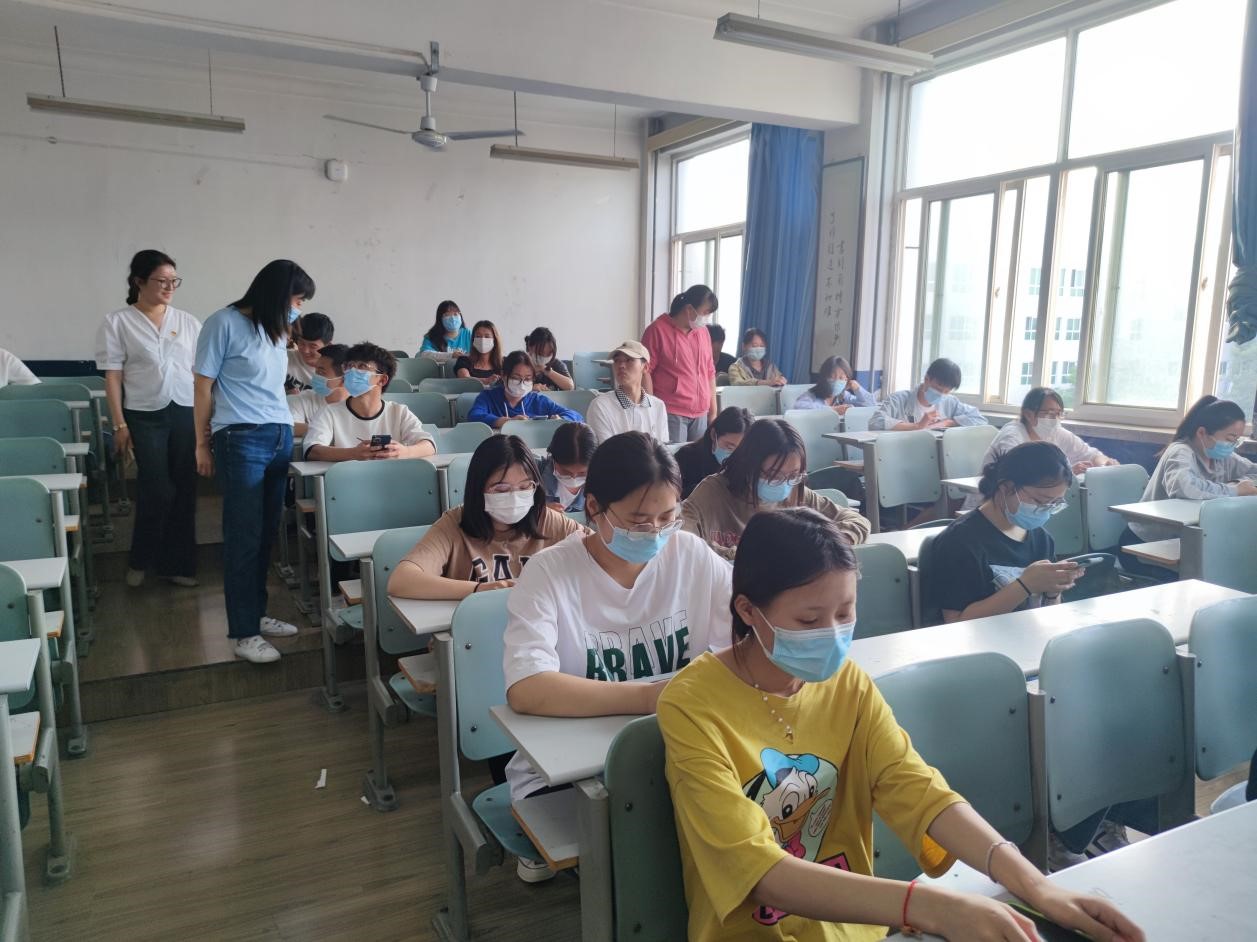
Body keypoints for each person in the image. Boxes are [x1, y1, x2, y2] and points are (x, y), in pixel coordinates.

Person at [658, 506, 1145, 942]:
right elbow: (756, 868)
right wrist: (931, 908)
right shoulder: (693, 703)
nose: (832, 633)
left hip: (854, 928)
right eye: (808, 621)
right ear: (748, 610)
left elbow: (916, 788)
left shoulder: (846, 683)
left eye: (845, 612)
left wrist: (1035, 885)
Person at [502, 431, 734, 882]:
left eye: (668, 517)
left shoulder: (690, 554)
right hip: (568, 771)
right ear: (594, 507)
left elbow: (741, 648)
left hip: (677, 750)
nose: (656, 532)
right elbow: (527, 688)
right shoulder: (549, 573)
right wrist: (648, 698)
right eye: (639, 522)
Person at [193, 259, 313, 664]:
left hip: (279, 434)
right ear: (277, 294)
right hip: (240, 437)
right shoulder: (223, 323)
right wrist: (201, 444)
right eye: (297, 299)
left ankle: (256, 614)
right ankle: (243, 632)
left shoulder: (275, 331)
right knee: (243, 536)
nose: (298, 308)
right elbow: (203, 387)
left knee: (265, 534)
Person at [96, 249, 202, 589]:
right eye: (162, 281)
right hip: (143, 414)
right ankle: (141, 558)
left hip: (184, 411)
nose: (170, 287)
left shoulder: (188, 322)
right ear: (139, 282)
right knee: (156, 489)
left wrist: (206, 421)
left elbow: (200, 374)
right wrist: (119, 424)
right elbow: (113, 376)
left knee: (184, 488)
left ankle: (177, 565)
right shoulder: (117, 322)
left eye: (174, 281)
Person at [388, 435, 587, 601]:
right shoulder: (454, 524)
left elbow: (600, 549)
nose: (515, 496)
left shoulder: (547, 519)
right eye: (501, 489)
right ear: (478, 488)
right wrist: (479, 589)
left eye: (525, 487)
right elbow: (401, 580)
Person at [931, 442, 1079, 624]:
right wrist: (1025, 585)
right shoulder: (959, 541)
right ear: (1006, 487)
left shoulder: (1042, 538)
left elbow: (1048, 617)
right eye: (1040, 501)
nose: (1045, 509)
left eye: (1055, 504)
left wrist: (1053, 590)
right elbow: (956, 623)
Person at [682, 418, 870, 559]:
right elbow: (683, 542)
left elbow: (856, 520)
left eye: (793, 475)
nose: (783, 483)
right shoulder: (712, 493)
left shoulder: (795, 493)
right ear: (748, 465)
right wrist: (753, 555)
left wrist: (834, 541)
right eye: (773, 475)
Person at [1124, 395, 1257, 546]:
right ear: (1202, 433)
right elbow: (1184, 488)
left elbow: (1254, 471)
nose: (1232, 445)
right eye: (1229, 439)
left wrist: (1240, 483)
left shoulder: (1223, 457)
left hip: (1184, 539)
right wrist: (1234, 490)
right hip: (1146, 541)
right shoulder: (1180, 452)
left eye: (1236, 440)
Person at [962, 387, 1116, 512]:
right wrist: (1066, 474)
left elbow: (1093, 455)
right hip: (991, 506)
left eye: (1059, 414)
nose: (1055, 419)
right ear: (1029, 414)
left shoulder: (1057, 433)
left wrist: (1104, 465)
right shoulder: (1012, 436)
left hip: (1034, 506)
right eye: (1049, 413)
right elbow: (1017, 476)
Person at [304, 343, 436, 462]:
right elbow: (312, 450)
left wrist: (404, 452)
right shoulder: (329, 412)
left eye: (362, 366)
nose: (352, 371)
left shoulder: (399, 412)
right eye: (349, 366)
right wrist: (353, 453)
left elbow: (429, 446)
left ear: (382, 380)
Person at [641, 285, 719, 444]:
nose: (706, 319)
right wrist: (651, 408)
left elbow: (709, 371)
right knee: (674, 457)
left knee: (697, 458)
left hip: (700, 413)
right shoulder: (657, 330)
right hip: (671, 411)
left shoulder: (703, 332)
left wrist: (713, 411)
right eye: (705, 313)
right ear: (689, 309)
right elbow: (645, 371)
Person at [467, 351, 583, 428]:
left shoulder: (538, 401)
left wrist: (561, 419)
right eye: (516, 378)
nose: (522, 383)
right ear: (504, 376)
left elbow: (576, 416)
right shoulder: (488, 397)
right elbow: (474, 415)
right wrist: (506, 422)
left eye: (527, 379)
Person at [584, 340, 668, 444]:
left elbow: (663, 449)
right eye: (617, 361)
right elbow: (606, 451)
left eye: (629, 360)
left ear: (645, 367)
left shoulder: (658, 406)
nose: (621, 365)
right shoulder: (600, 406)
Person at [869, 358, 986, 430]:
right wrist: (917, 426)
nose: (941, 395)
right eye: (938, 388)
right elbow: (875, 422)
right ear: (926, 379)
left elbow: (979, 419)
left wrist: (947, 422)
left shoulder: (950, 402)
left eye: (946, 392)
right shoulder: (898, 399)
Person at [675, 406, 754, 499]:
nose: (734, 455)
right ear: (713, 435)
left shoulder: (746, 463)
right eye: (729, 447)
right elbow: (676, 496)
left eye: (740, 450)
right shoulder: (686, 457)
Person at [287, 343, 349, 437]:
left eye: (321, 372)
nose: (315, 376)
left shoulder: (358, 406)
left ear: (344, 380)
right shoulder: (299, 400)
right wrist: (329, 429)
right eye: (316, 371)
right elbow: (289, 428)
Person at [538, 421, 595, 514]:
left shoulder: (601, 484)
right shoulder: (533, 473)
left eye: (582, 473)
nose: (573, 478)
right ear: (553, 458)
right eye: (565, 472)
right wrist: (537, 511)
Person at [791, 356, 875, 413]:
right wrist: (833, 410)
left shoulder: (843, 396)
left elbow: (871, 406)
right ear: (824, 377)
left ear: (846, 380)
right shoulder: (813, 394)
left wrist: (858, 389)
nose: (836, 381)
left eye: (841, 378)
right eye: (832, 377)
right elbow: (798, 407)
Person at [286, 312, 334, 393]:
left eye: (313, 346)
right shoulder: (285, 357)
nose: (305, 350)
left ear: (328, 346)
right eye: (301, 343)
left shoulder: (333, 375)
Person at [455, 320, 504, 387]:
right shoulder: (464, 360)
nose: (482, 339)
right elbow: (465, 379)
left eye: (487, 336)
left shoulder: (504, 362)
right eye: (478, 336)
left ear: (495, 340)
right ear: (473, 340)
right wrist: (485, 381)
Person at [524, 327, 575, 392]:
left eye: (549, 354)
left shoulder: (556, 364)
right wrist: (530, 388)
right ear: (530, 348)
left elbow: (570, 386)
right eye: (541, 353)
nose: (544, 357)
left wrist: (545, 370)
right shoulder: (520, 363)